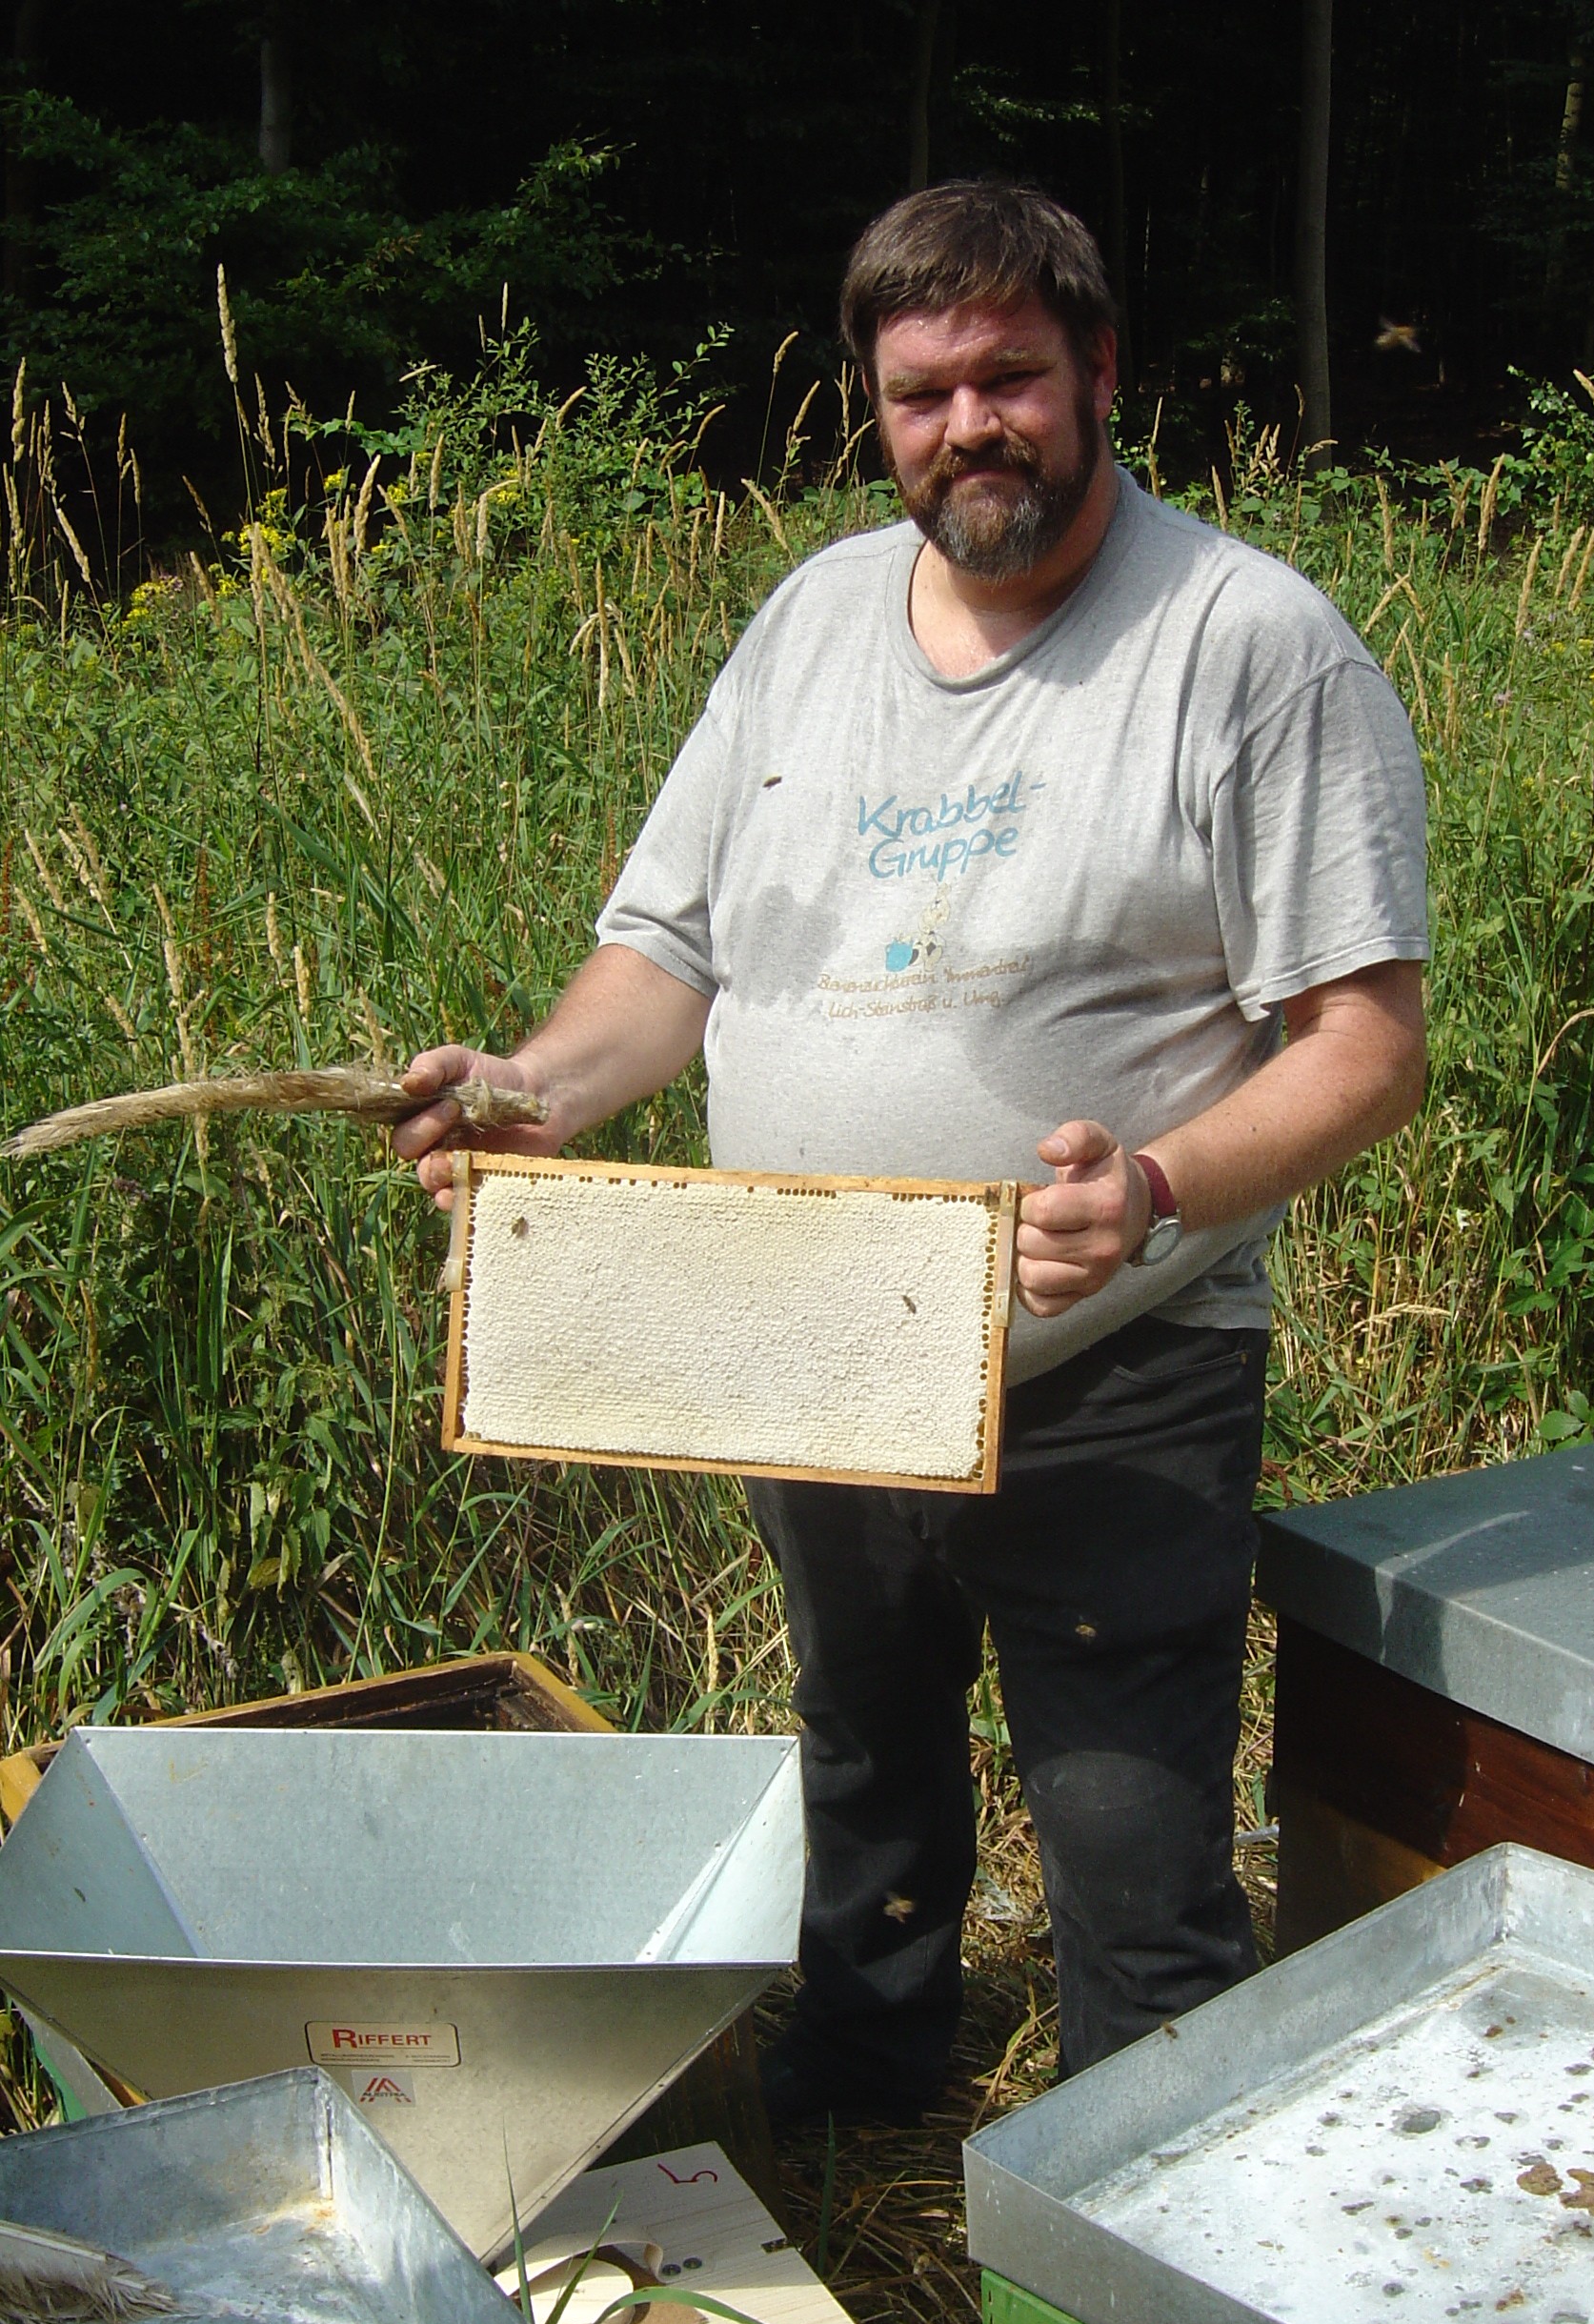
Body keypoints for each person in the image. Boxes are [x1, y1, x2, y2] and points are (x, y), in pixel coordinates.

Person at [395, 180, 1428, 2129]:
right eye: (924, 391)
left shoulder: (1249, 646)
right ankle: (859, 2114)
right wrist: (539, 1085)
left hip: (1112, 1368)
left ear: (1102, 371)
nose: (974, 427)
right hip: (812, 1342)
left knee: (1130, 1851)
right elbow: (670, 954)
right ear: (872, 405)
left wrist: (1158, 1191)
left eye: (1014, 378)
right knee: (862, 1763)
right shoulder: (807, 624)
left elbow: (1367, 1049)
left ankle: (1148, 2217)